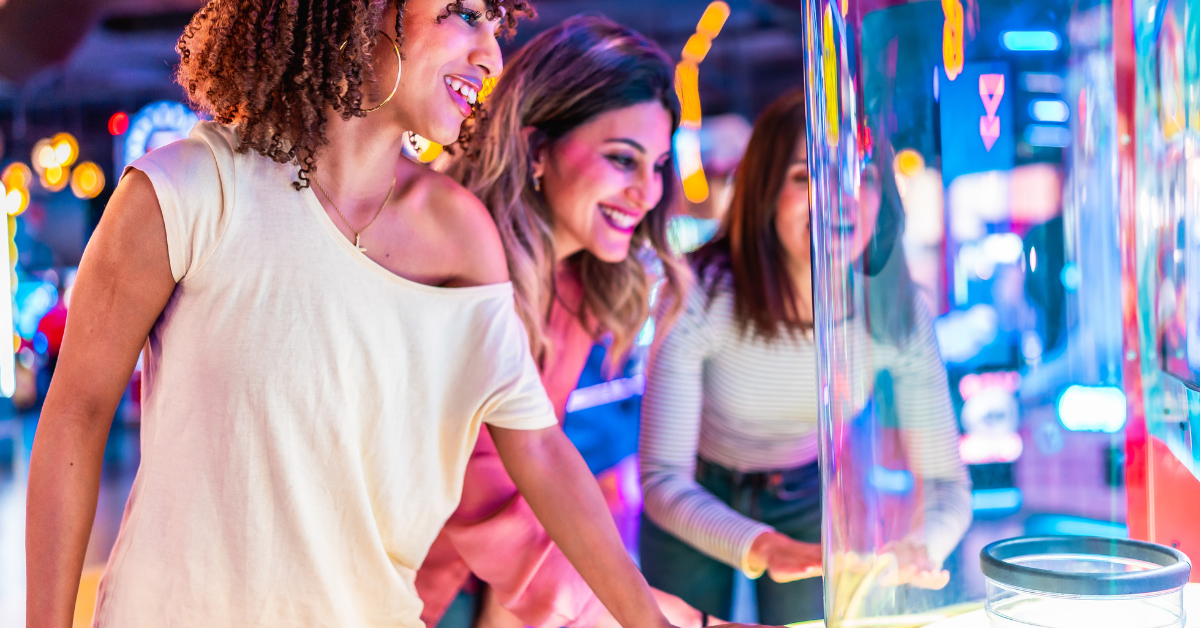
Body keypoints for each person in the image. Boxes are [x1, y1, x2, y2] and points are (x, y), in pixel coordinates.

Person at [25, 3, 704, 627]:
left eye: (497, 26)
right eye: (464, 14)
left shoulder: (458, 235)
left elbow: (540, 450)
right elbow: (75, 418)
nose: (491, 56)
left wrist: (646, 620)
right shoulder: (188, 189)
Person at [638, 90, 972, 625]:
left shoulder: (898, 312)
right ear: (764, 192)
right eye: (805, 175)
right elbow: (661, 480)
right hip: (695, 494)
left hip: (809, 493)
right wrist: (763, 547)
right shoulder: (700, 292)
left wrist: (923, 545)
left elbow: (946, 485)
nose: (840, 197)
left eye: (862, 177)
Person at [415, 16, 696, 628]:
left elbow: (532, 496)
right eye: (623, 160)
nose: (647, 193)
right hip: (390, 587)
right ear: (537, 150)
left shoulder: (581, 287)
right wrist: (664, 618)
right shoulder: (455, 260)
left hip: (480, 590)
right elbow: (481, 492)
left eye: (657, 167)